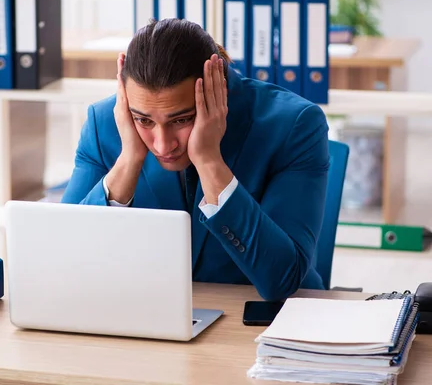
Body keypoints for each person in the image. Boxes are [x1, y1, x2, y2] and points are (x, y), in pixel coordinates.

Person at [61, 18, 330, 301]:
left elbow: (281, 280)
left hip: (258, 321)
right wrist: (128, 159)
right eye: (144, 120)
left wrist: (210, 162)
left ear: (219, 86)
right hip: (144, 313)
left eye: (182, 119)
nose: (164, 144)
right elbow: (61, 261)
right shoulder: (103, 122)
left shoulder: (294, 125)